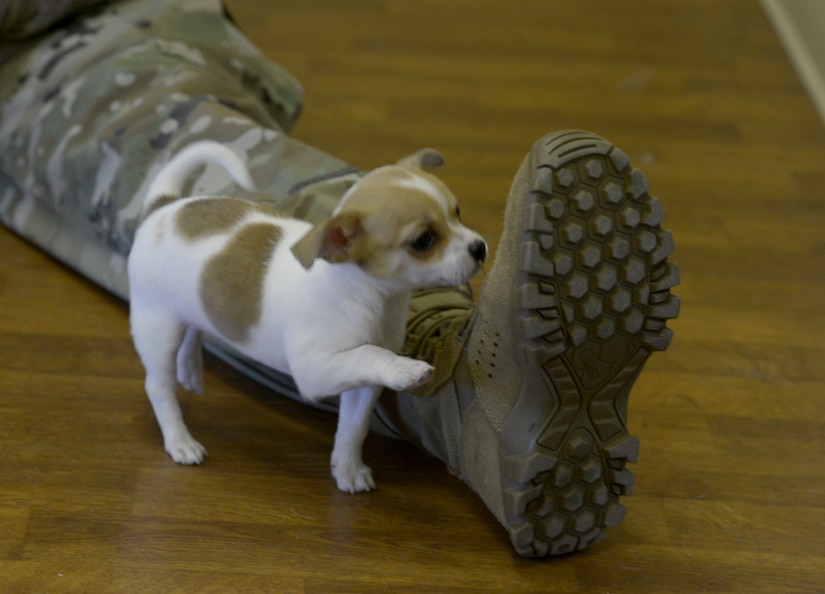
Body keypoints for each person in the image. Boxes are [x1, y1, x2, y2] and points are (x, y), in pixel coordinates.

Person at [0, 0, 679, 557]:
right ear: (335, 245)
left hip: (132, 34)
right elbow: (318, 371)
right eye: (429, 238)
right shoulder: (323, 252)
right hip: (55, 86)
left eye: (454, 219)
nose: (473, 241)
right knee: (151, 167)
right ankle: (459, 390)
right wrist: (381, 361)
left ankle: (457, 362)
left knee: (249, 167)